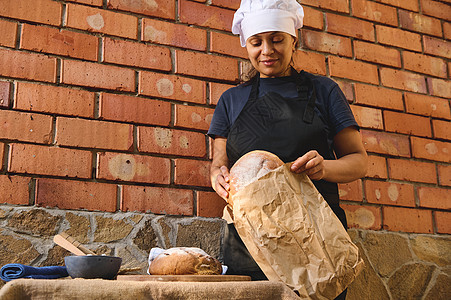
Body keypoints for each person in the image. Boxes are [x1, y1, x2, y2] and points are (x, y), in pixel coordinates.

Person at [208, 0, 368, 299]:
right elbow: (219, 163)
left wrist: (324, 168)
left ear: (294, 39)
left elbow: (359, 162)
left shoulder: (324, 90)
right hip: (250, 242)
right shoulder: (230, 101)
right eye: (257, 42)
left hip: (317, 241)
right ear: (246, 45)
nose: (267, 50)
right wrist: (218, 176)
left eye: (277, 39)